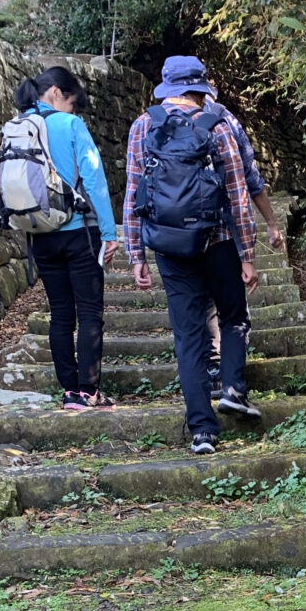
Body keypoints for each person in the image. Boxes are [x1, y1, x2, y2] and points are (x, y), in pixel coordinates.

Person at [123, 57, 258, 454]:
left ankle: (202, 431)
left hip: (167, 245)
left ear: (167, 89)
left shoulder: (141, 126)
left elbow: (135, 194)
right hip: (216, 242)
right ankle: (233, 389)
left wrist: (136, 255)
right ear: (201, 90)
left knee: (188, 336)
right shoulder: (216, 125)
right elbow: (237, 193)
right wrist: (247, 254)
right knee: (233, 316)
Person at [11, 67, 118, 409]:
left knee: (60, 313)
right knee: (88, 311)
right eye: (71, 102)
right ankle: (88, 390)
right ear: (56, 93)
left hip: (40, 235)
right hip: (78, 232)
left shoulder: (18, 126)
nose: (71, 109)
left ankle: (70, 391)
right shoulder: (68, 124)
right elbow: (94, 178)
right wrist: (109, 231)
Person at [203, 79, 286, 396]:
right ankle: (231, 382)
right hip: (222, 230)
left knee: (202, 303)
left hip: (176, 236)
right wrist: (269, 224)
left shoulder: (156, 120)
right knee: (232, 309)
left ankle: (212, 369)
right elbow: (248, 178)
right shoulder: (223, 120)